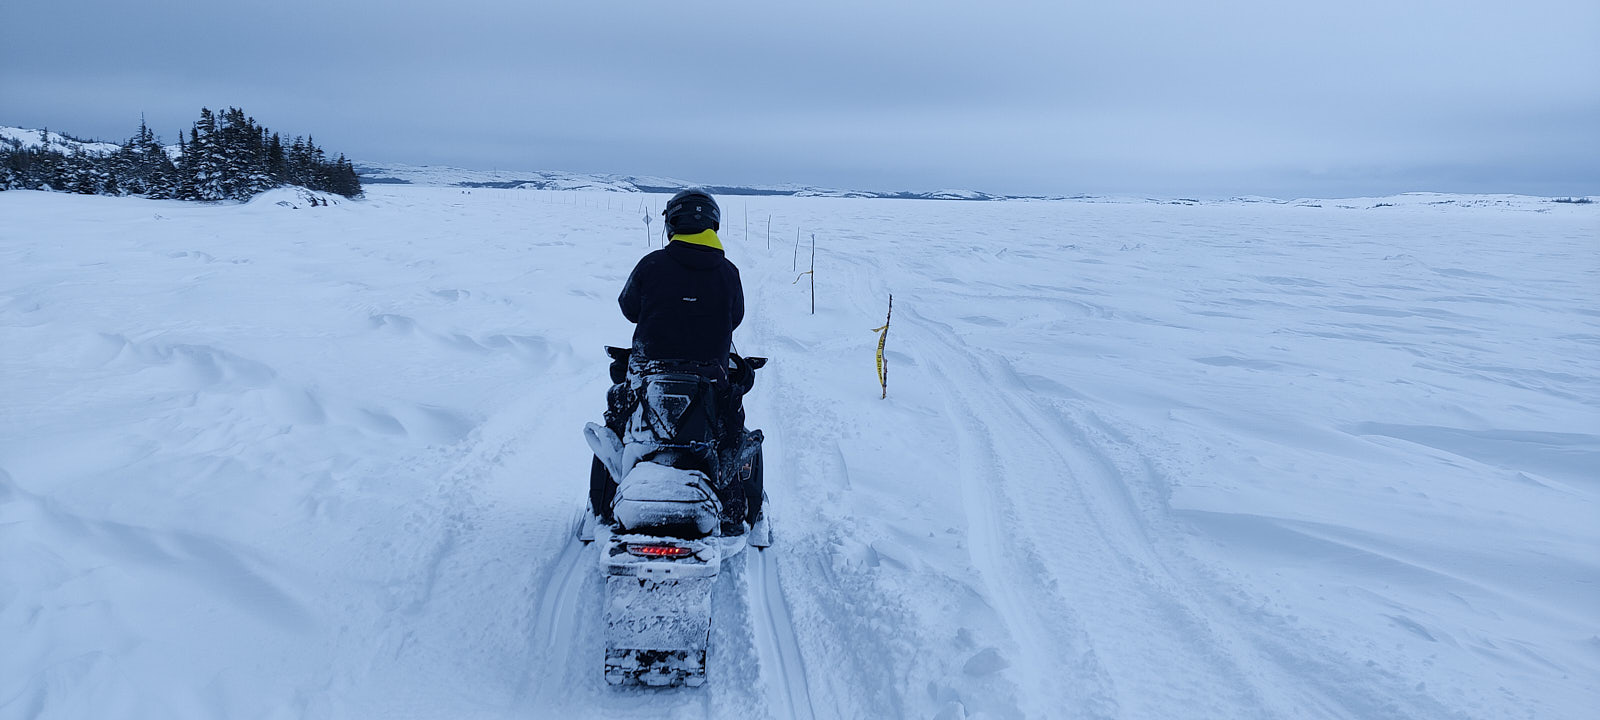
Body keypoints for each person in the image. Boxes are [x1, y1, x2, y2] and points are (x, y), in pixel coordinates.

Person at [594, 189, 756, 527]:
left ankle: (605, 506)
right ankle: (734, 512)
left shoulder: (651, 264)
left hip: (648, 374)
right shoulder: (729, 273)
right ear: (713, 224)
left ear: (671, 224)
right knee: (733, 434)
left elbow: (629, 309)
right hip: (710, 378)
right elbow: (735, 318)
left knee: (617, 426)